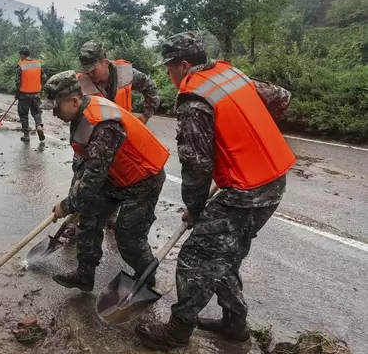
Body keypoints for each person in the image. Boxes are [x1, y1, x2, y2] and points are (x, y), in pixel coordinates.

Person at [135, 31, 296, 350]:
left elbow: (195, 166)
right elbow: (282, 97)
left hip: (245, 192)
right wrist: (249, 136)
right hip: (273, 180)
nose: (168, 75)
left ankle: (178, 331)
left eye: (168, 68)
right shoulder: (231, 74)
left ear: (183, 66)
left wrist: (194, 210)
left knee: (197, 256)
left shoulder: (194, 98)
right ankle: (234, 324)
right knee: (226, 252)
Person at [43, 70, 170, 292]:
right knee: (89, 216)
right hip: (114, 174)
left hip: (143, 179)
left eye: (56, 107)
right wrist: (73, 201)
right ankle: (85, 274)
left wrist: (66, 204)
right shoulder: (81, 113)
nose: (53, 114)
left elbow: (92, 179)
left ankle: (145, 279)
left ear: (73, 100)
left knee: (128, 236)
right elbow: (84, 165)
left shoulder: (103, 125)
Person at [16, 46, 47, 142]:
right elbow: (44, 77)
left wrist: (17, 93)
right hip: (36, 94)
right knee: (37, 112)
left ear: (22, 55)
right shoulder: (37, 64)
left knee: (23, 114)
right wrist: (39, 86)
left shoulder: (21, 65)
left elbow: (18, 81)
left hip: (24, 95)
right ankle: (39, 126)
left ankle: (26, 135)